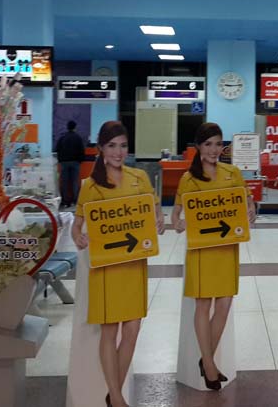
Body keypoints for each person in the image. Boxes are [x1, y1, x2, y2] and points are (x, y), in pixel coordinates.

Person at [70, 121, 163, 407]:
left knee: (132, 330)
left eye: (123, 146)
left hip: (134, 265)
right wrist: (78, 237)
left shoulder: (140, 178)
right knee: (110, 330)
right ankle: (118, 397)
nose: (118, 152)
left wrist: (159, 221)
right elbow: (77, 225)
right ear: (100, 148)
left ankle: (113, 392)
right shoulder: (91, 185)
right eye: (111, 146)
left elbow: (154, 211)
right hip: (107, 267)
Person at [171, 123, 256, 391]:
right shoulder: (189, 179)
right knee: (203, 304)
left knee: (224, 304)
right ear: (198, 147)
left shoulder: (233, 173)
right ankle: (209, 364)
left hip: (226, 248)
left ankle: (205, 360)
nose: (213, 150)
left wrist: (251, 210)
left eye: (218, 144)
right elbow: (176, 214)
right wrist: (178, 223)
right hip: (201, 249)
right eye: (208, 144)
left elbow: (248, 202)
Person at [56, 120, 86, 208]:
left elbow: (57, 149)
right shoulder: (78, 138)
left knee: (64, 182)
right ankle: (75, 201)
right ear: (75, 128)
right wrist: (80, 160)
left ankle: (65, 201)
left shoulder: (63, 137)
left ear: (67, 127)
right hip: (75, 162)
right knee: (75, 182)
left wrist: (60, 160)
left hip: (64, 163)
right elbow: (82, 150)